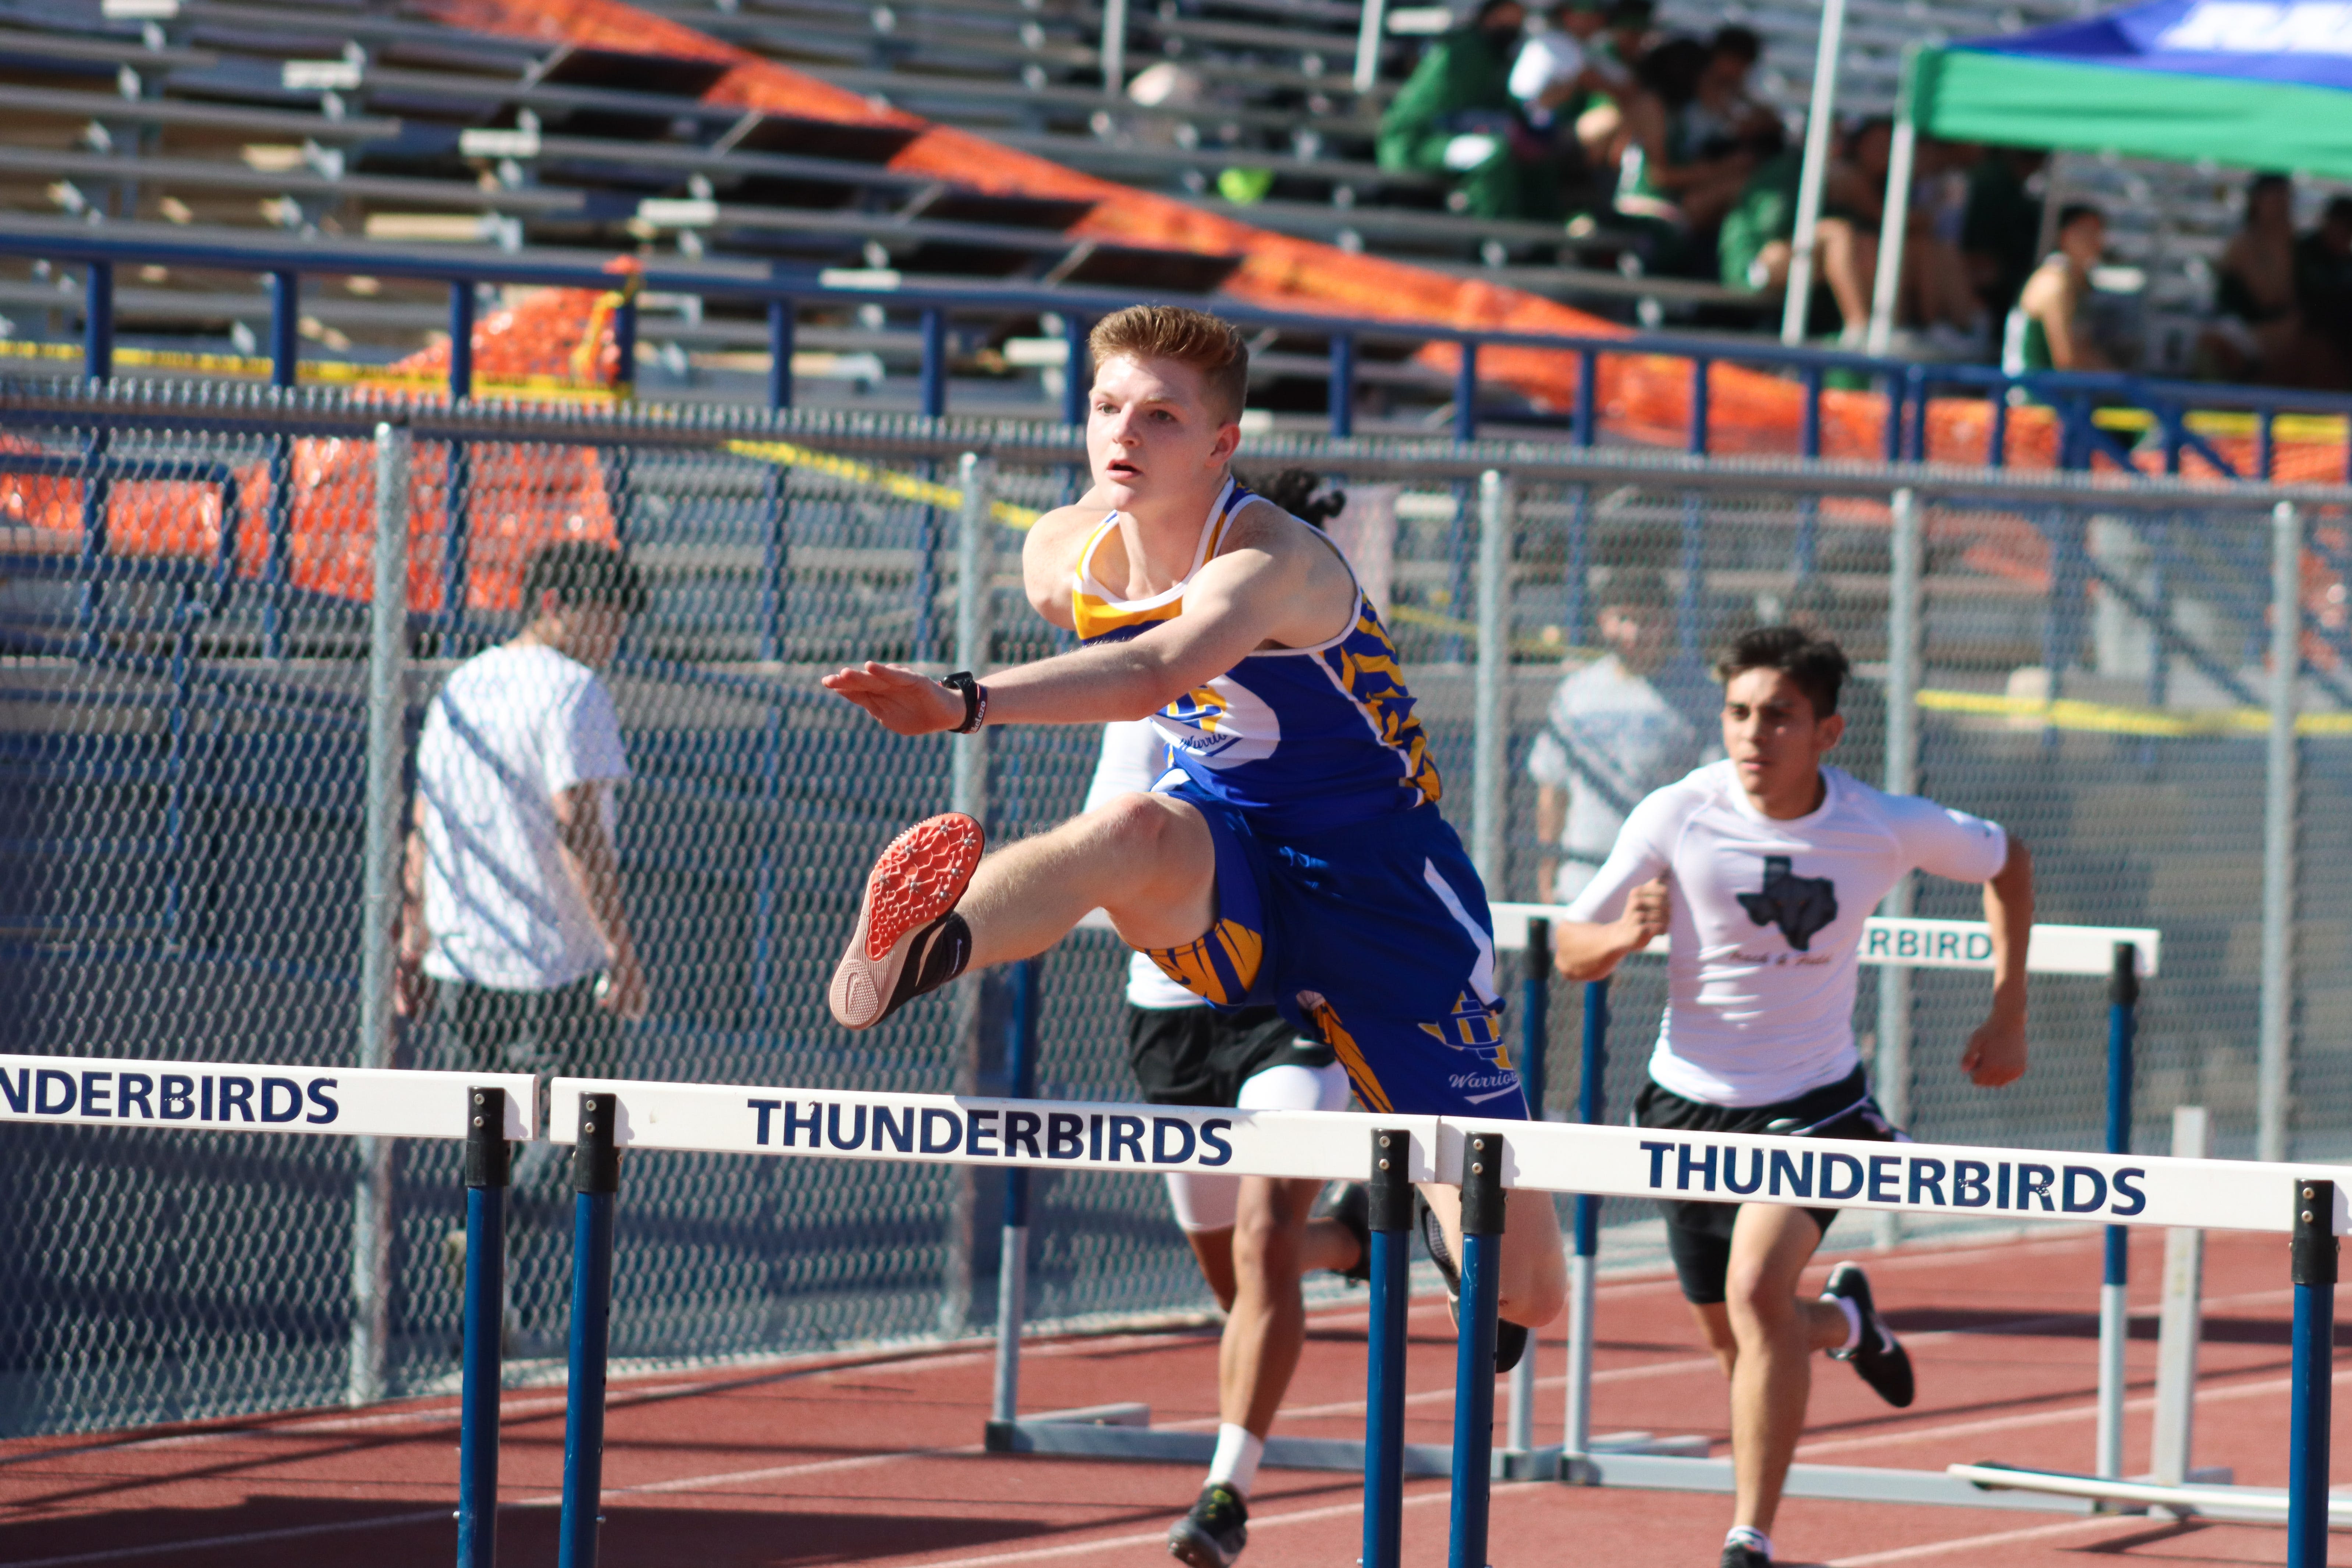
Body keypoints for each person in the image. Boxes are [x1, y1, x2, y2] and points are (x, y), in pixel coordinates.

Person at [819, 304, 1567, 1564]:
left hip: (1386, 894)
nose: (1126, 433)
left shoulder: (1272, 557)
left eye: (1161, 415)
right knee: (1129, 835)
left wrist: (962, 701)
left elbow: (1157, 669)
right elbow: (1132, 662)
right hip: (1231, 852)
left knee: (1523, 1283)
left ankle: (1459, 1238)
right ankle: (927, 945)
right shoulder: (1061, 552)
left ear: (1220, 443)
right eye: (1110, 407)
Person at [1553, 626, 2035, 1568]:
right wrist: (1619, 940)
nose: (1752, 734)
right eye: (1738, 713)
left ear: (1827, 732)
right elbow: (1570, 946)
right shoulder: (1676, 813)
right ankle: (1846, 1320)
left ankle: (1748, 1540)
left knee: (1752, 1291)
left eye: (1778, 716)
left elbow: (2008, 863)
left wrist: (2007, 1012)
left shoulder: (1878, 823)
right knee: (1740, 1337)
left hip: (1816, 1103)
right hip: (1684, 1105)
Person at [1087, 467, 1370, 1568]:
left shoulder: (1337, 695)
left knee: (1261, 1243)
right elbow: (1109, 834)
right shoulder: (1148, 671)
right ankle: (1359, 1233)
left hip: (1287, 999)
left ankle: (1223, 1494)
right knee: (1238, 1272)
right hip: (1170, 1009)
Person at [398, 542, 650, 1342]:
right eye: (604, 618)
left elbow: (422, 823)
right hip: (555, 957)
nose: (611, 637)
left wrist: (413, 938)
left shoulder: (460, 687)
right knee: (588, 1125)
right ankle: (489, 1242)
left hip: (463, 950)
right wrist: (620, 946)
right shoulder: (574, 690)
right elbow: (575, 824)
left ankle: (490, 1290)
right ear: (554, 603)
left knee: (491, 1132)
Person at [1528, 569, 1703, 903]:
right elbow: (1553, 790)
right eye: (1622, 618)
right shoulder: (1576, 694)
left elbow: (1710, 799)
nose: (1633, 632)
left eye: (1647, 620)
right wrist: (1547, 871)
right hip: (1584, 883)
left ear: (1667, 622)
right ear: (1602, 621)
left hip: (1661, 889)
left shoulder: (1698, 695)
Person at [1378, 0, 1564, 221]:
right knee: (1493, 154)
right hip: (1417, 142)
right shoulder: (1465, 49)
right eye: (1508, 18)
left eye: (1519, 20)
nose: (1514, 26)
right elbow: (1445, 116)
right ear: (1489, 16)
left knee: (1540, 156)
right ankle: (1496, 240)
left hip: (1455, 134)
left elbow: (1509, 105)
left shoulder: (1500, 55)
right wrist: (1503, 127)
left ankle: (1541, 241)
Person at [2010, 202, 2110, 373]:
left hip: (2054, 393)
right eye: (2087, 233)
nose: (2096, 242)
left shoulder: (2073, 281)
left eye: (2098, 234)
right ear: (2064, 236)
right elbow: (2067, 360)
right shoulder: (2055, 282)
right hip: (2033, 395)